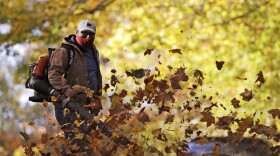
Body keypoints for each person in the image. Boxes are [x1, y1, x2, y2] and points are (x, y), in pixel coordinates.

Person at [48, 19, 102, 155]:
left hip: (86, 105)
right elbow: (53, 74)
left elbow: (95, 76)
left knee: (85, 143)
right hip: (66, 105)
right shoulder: (65, 51)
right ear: (76, 33)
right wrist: (66, 89)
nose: (88, 38)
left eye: (91, 35)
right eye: (84, 34)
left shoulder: (94, 51)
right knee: (76, 140)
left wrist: (97, 97)